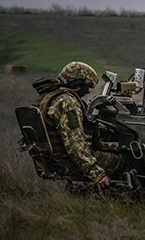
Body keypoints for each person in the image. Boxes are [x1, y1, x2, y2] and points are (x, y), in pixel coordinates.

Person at [31, 61, 126, 191]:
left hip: (56, 158)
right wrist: (96, 174)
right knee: (123, 161)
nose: (87, 91)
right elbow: (75, 145)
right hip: (66, 161)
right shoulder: (67, 103)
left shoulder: (51, 97)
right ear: (77, 83)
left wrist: (104, 130)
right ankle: (124, 198)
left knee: (115, 149)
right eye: (86, 86)